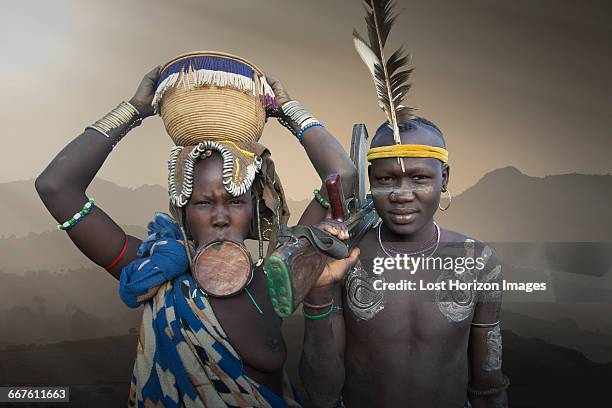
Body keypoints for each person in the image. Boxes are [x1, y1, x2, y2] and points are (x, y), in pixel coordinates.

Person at [35, 61, 355, 407]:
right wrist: (135, 110)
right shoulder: (154, 275)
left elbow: (341, 176)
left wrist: (287, 110)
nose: (220, 216)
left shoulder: (279, 276)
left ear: (255, 213)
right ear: (183, 215)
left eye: (234, 201)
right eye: (203, 202)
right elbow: (56, 188)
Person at [298, 117, 509, 408]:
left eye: (420, 178)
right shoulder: (343, 261)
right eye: (386, 179)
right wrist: (318, 292)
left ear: (444, 177)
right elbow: (321, 395)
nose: (402, 194)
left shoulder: (479, 262)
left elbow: (488, 388)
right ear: (370, 179)